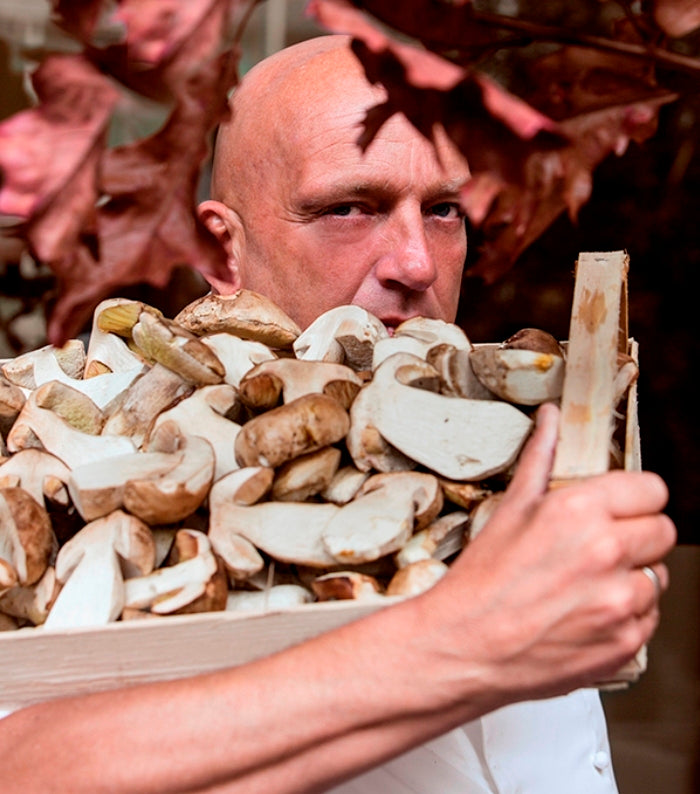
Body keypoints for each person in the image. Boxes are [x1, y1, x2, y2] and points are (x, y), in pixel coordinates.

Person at [0, 35, 675, 794]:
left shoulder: (528, 440)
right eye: (350, 208)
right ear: (223, 254)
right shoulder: (84, 478)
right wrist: (464, 641)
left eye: (444, 209)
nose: (417, 263)